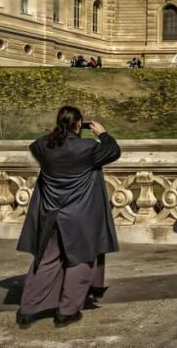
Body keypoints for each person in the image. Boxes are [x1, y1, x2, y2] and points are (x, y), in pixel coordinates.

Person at [16, 107, 121, 328]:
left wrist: (56, 133)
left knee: (46, 259)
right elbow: (113, 151)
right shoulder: (87, 147)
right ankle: (67, 311)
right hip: (80, 215)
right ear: (79, 123)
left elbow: (35, 145)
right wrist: (103, 134)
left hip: (51, 213)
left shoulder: (44, 147)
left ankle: (28, 309)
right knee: (80, 261)